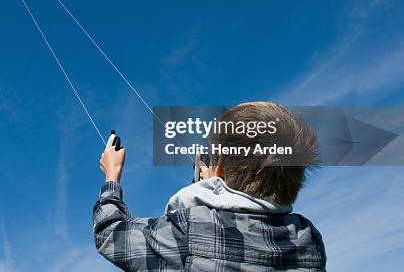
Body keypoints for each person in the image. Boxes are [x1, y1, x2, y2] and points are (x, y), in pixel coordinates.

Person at [93, 102, 326, 271]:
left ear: (221, 167)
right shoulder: (308, 239)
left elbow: (110, 234)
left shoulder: (188, 228)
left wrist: (112, 175)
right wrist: (213, 186)